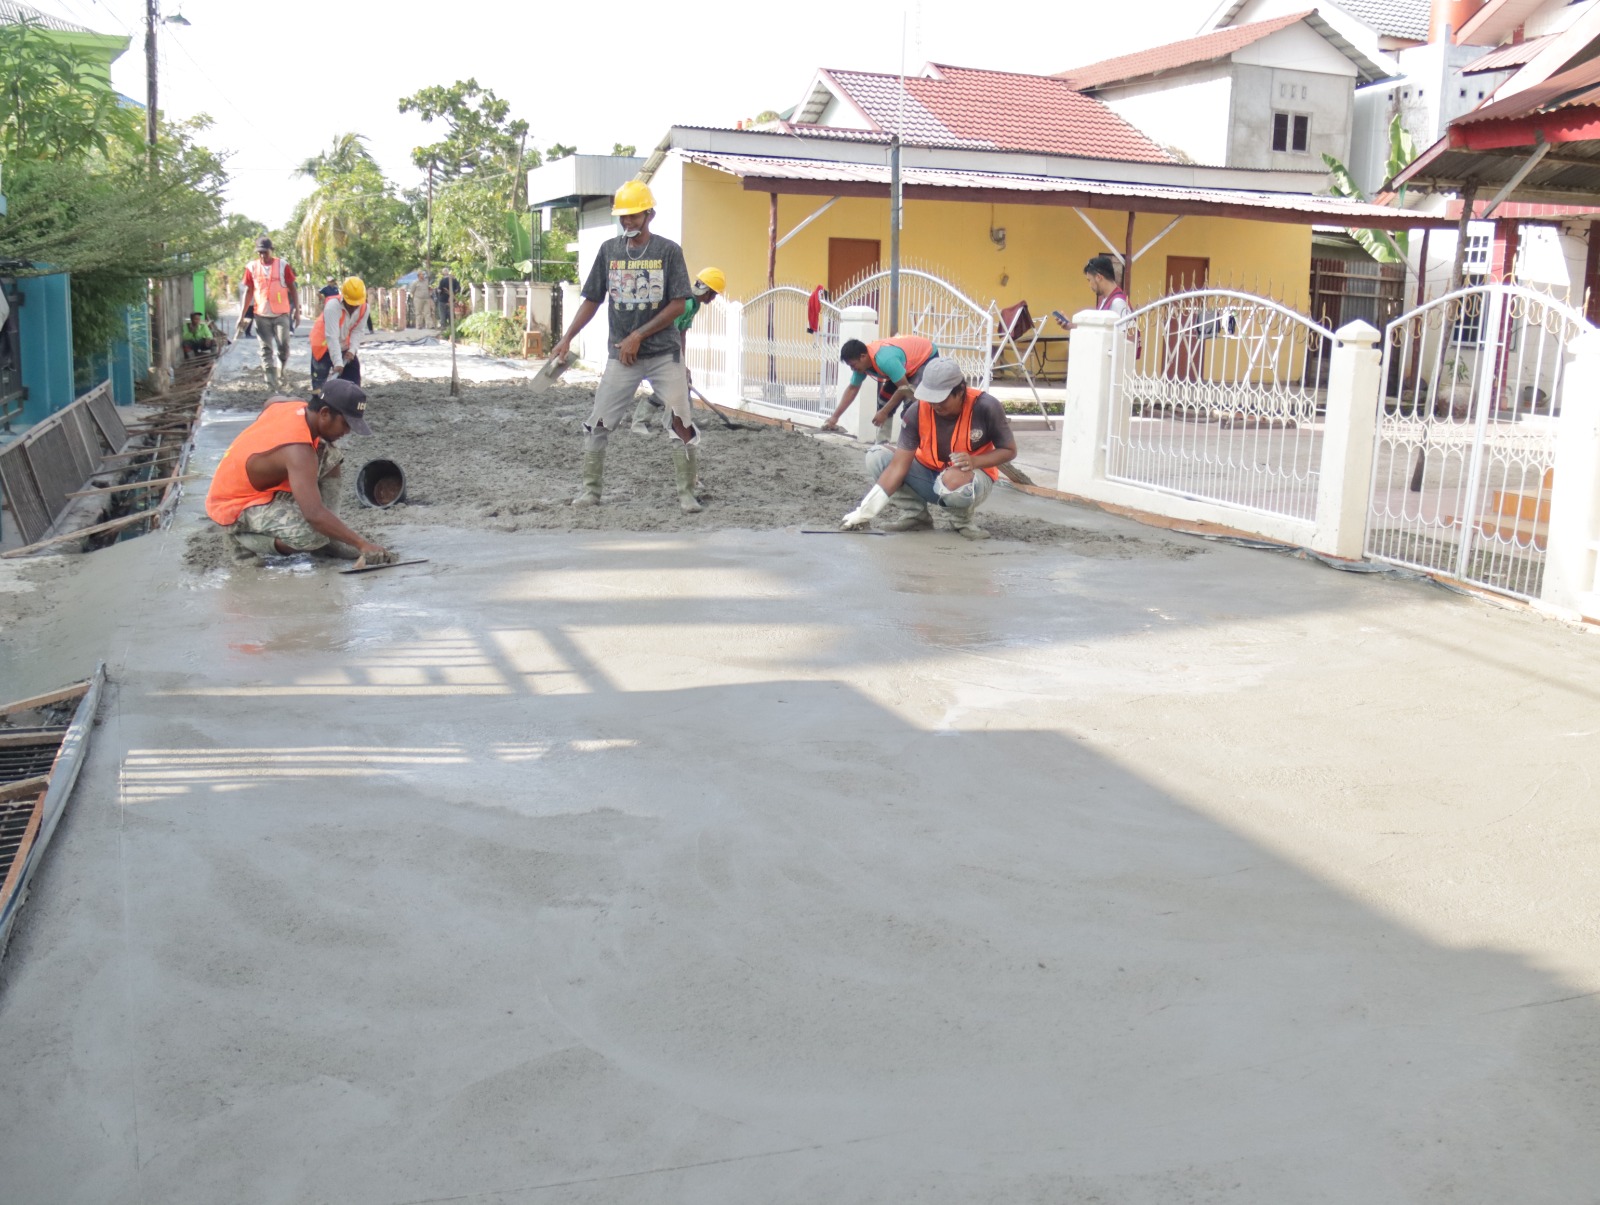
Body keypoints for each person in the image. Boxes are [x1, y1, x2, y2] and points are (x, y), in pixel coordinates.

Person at [550, 180, 703, 514]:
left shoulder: (668, 251)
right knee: (598, 422)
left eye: (634, 216)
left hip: (664, 354)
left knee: (681, 422)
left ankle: (687, 492)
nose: (628, 223)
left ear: (649, 214)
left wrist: (640, 335)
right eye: (623, 217)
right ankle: (590, 491)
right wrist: (566, 338)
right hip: (622, 355)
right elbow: (592, 299)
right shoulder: (610, 251)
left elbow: (679, 304)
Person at [204, 379, 390, 562]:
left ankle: (330, 540)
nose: (348, 431)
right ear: (324, 413)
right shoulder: (298, 452)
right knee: (312, 535)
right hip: (232, 505)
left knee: (330, 455)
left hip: (255, 486)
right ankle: (241, 541)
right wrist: (361, 544)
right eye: (346, 423)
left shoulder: (294, 406)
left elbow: (272, 400)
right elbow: (313, 515)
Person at [839, 358, 1016, 541]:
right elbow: (897, 467)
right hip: (928, 477)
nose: (935, 405)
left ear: (960, 390)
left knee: (954, 478)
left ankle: (961, 522)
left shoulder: (985, 407)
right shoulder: (916, 412)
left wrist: (975, 461)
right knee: (877, 457)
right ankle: (916, 516)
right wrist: (864, 511)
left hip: (968, 482)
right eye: (930, 399)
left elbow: (1009, 450)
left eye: (941, 399)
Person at [631, 265, 725, 434]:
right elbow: (667, 332)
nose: (714, 298)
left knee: (684, 381)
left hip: (669, 347)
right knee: (670, 385)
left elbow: (682, 333)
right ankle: (640, 421)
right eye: (714, 293)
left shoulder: (695, 305)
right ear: (707, 291)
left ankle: (682, 420)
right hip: (657, 346)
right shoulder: (685, 304)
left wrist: (682, 361)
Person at [820, 334, 940, 435]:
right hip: (903, 366)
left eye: (853, 365)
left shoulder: (885, 360)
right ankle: (882, 446)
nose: (852, 369)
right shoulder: (863, 364)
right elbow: (852, 389)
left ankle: (915, 447)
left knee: (912, 405)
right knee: (884, 401)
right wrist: (834, 417)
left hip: (925, 356)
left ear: (863, 357)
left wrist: (884, 412)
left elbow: (905, 389)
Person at [239, 237, 300, 391]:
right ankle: (270, 381)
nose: (262, 256)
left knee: (283, 346)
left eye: (265, 252)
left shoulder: (283, 265)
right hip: (261, 314)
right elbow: (249, 291)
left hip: (281, 314)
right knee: (266, 349)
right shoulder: (251, 267)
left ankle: (281, 370)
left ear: (271, 250)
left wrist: (297, 312)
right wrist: (241, 316)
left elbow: (292, 288)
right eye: (259, 252)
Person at [310, 277, 369, 393]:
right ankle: (318, 406)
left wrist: (352, 350)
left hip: (344, 347)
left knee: (353, 387)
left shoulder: (364, 308)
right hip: (323, 347)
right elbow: (332, 337)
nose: (354, 307)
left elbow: (358, 331)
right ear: (344, 297)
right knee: (319, 389)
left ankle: (349, 407)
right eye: (351, 304)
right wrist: (338, 362)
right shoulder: (333, 307)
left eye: (356, 304)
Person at [1052, 254, 1132, 330]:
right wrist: (1071, 326)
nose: (1089, 285)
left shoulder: (1118, 302)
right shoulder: (1107, 300)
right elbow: (1097, 330)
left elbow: (1131, 337)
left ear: (1098, 277)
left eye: (1089, 280)